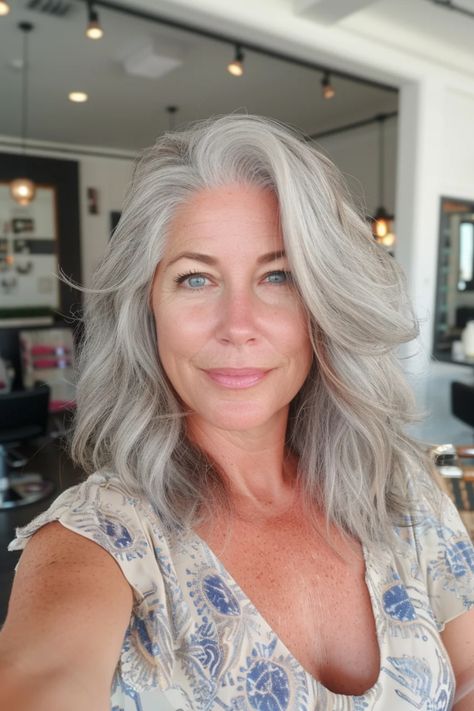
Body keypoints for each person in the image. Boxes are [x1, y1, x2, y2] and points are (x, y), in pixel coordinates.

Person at [0, 114, 473, 711]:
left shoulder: (402, 489)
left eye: (278, 276)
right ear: (147, 311)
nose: (238, 326)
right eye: (195, 279)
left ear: (323, 304)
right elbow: (39, 675)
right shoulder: (102, 539)